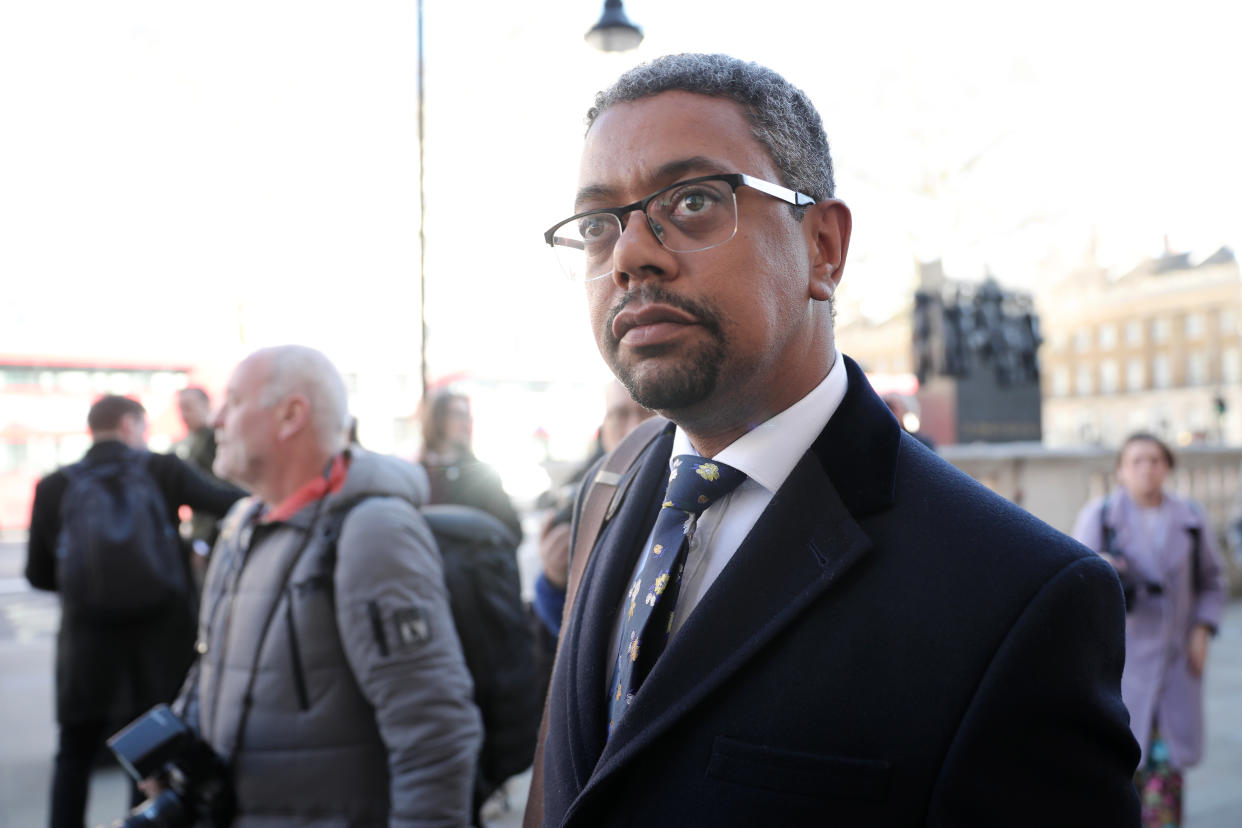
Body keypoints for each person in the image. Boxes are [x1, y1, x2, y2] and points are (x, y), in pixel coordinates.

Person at [527, 53, 1140, 826]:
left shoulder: (1022, 601)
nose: (629, 256)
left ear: (823, 247)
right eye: (596, 226)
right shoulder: (613, 488)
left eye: (691, 201)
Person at [174, 345, 481, 826]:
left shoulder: (373, 531)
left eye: (232, 402)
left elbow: (434, 731)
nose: (216, 420)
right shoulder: (242, 521)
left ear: (291, 415)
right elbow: (213, 664)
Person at [25, 394, 242, 828]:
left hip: (86, 650)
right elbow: (232, 502)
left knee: (73, 756)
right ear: (129, 425)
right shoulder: (162, 470)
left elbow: (38, 575)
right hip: (161, 647)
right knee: (148, 759)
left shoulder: (55, 486)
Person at [1072, 432, 1226, 827]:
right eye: (1137, 460)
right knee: (1119, 772)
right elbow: (1076, 584)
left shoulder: (1190, 518)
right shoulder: (1101, 515)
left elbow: (1212, 581)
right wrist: (1107, 566)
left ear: (1168, 467)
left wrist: (1202, 631)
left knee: (1166, 778)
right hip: (1121, 669)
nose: (1147, 468)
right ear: (1121, 470)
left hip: (1176, 665)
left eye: (1155, 459)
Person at [530, 381, 653, 700]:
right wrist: (556, 582)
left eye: (647, 412)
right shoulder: (582, 499)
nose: (634, 428)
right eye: (619, 415)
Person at [420, 389, 523, 543]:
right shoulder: (417, 474)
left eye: (468, 416)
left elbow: (513, 531)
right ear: (437, 419)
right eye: (457, 415)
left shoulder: (481, 475)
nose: (465, 423)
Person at [175, 386, 229, 582]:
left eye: (188, 407)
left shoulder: (214, 439)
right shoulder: (192, 440)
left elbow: (217, 492)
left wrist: (203, 542)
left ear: (206, 405)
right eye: (180, 408)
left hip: (217, 534)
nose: (183, 414)